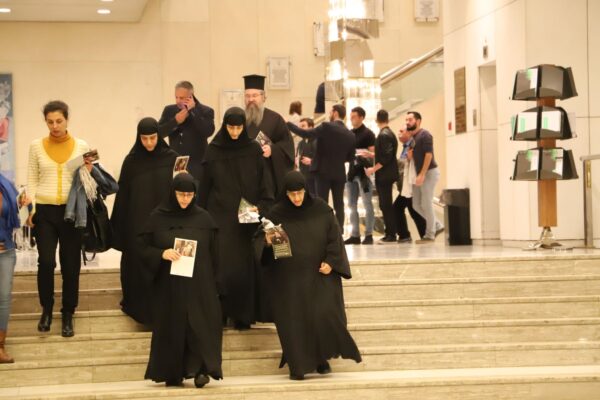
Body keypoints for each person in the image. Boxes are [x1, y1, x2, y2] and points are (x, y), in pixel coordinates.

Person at [256, 171, 361, 380]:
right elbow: (261, 243)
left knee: (323, 316)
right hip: (289, 280)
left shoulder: (321, 209)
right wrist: (266, 242)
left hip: (319, 276)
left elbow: (334, 237)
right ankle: (297, 365)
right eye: (292, 194)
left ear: (306, 191)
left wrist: (331, 262)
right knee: (294, 321)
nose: (296, 198)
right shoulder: (276, 214)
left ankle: (321, 359)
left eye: (300, 193)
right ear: (286, 193)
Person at [138, 173, 222, 388]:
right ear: (172, 193)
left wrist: (215, 281)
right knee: (173, 327)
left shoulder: (204, 219)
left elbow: (215, 253)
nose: (185, 199)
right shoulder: (157, 218)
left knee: (200, 326)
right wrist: (161, 254)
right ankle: (172, 372)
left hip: (199, 284)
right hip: (170, 286)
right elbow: (141, 249)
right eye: (181, 194)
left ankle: (201, 370)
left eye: (189, 195)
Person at [198, 107, 274, 330]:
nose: (234, 132)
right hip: (219, 217)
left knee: (243, 268)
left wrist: (262, 206)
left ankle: (242, 315)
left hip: (246, 217)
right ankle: (220, 313)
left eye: (238, 127)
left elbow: (264, 183)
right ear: (225, 126)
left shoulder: (253, 150)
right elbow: (205, 187)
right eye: (231, 127)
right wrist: (201, 218)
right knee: (221, 266)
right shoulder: (213, 150)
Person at [26, 100, 92, 337]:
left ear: (67, 120)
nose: (54, 126)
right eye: (50, 122)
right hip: (44, 212)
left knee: (71, 264)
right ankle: (47, 309)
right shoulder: (36, 146)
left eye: (59, 121)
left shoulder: (81, 146)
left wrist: (88, 171)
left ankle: (68, 313)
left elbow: (86, 183)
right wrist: (31, 210)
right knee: (45, 262)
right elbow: (32, 179)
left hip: (71, 212)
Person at [111, 117, 179, 325]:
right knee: (138, 265)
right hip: (137, 223)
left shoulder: (172, 158)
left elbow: (182, 191)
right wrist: (120, 231)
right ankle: (138, 309)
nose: (149, 143)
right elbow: (123, 198)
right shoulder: (131, 161)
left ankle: (164, 312)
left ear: (158, 136)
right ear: (138, 138)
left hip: (164, 224)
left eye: (152, 138)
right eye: (144, 138)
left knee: (164, 266)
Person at [286, 104, 355, 228]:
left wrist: (288, 124)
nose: (329, 114)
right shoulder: (350, 134)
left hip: (323, 171)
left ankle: (324, 229)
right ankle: (339, 231)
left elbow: (305, 134)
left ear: (335, 113)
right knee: (339, 204)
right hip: (339, 173)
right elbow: (350, 158)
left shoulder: (326, 126)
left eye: (330, 112)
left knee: (322, 203)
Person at [243, 74, 295, 197]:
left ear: (263, 97)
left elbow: (287, 145)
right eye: (247, 96)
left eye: (254, 95)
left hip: (268, 181)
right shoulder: (238, 119)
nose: (251, 99)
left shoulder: (275, 119)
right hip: (243, 178)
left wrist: (272, 150)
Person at [158, 81, 215, 180]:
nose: (177, 101)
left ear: (191, 97)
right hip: (177, 162)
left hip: (198, 164)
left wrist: (193, 111)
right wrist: (175, 121)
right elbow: (159, 133)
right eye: (176, 97)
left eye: (181, 98)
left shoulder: (206, 111)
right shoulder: (169, 110)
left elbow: (208, 132)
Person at [406, 111, 444, 244]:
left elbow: (429, 155)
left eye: (410, 120)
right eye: (406, 120)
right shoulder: (413, 138)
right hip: (418, 174)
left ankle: (430, 235)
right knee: (416, 204)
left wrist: (422, 174)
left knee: (427, 203)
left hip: (429, 172)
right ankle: (437, 225)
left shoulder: (425, 135)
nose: (407, 122)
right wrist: (410, 157)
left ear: (418, 121)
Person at [366, 110, 399, 243]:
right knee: (385, 204)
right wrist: (371, 155)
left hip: (385, 175)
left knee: (386, 204)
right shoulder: (387, 133)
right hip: (386, 174)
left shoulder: (384, 135)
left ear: (376, 120)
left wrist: (373, 169)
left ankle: (391, 234)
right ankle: (390, 233)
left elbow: (386, 157)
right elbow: (385, 154)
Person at [344, 107, 376, 245]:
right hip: (351, 172)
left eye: (354, 116)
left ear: (361, 117)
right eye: (351, 117)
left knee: (367, 203)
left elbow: (374, 154)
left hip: (364, 174)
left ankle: (369, 234)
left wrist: (365, 154)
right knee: (351, 204)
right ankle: (355, 234)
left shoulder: (368, 133)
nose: (352, 119)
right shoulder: (349, 133)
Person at [0, 173, 21, 363]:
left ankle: (0, 346)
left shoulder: (6, 184)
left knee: (4, 299)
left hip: (6, 250)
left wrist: (21, 205)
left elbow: (12, 214)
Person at [394, 126, 426, 242]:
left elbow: (415, 162)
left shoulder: (412, 144)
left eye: (401, 131)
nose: (399, 133)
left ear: (409, 133)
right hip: (405, 186)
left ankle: (424, 235)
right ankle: (405, 235)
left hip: (411, 184)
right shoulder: (405, 146)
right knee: (399, 208)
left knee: (413, 211)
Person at [296, 117, 317, 196]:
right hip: (304, 177)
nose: (300, 129)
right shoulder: (301, 143)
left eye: (303, 126)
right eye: (299, 127)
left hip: (315, 179)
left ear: (311, 127)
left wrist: (311, 161)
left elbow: (325, 159)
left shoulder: (318, 141)